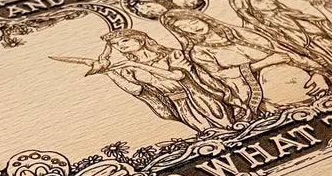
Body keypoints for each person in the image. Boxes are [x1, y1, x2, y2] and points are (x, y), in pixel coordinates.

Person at [160, 9, 328, 120]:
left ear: (201, 18)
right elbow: (221, 75)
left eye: (192, 22)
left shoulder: (242, 33)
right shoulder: (199, 51)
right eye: (185, 28)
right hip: (260, 92)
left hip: (306, 81)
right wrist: (264, 63)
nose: (193, 28)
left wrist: (318, 74)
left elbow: (286, 53)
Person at [92, 30, 232, 131]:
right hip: (177, 103)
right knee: (207, 133)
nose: (120, 45)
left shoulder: (172, 54)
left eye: (125, 40)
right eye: (115, 44)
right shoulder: (128, 68)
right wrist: (109, 73)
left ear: (140, 39)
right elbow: (136, 90)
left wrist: (137, 65)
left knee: (227, 127)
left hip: (199, 97)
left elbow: (178, 76)